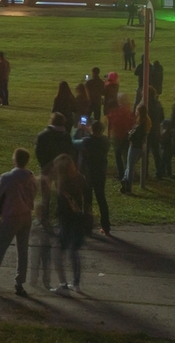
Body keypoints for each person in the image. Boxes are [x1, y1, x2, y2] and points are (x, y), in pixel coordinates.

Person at [0, 148, 39, 297]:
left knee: (0, 250)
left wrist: (2, 211)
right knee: (23, 250)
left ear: (15, 159)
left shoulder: (7, 177)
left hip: (11, 216)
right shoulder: (32, 178)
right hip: (26, 216)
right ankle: (19, 283)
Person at [50, 153, 90, 294]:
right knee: (74, 251)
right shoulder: (80, 178)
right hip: (79, 219)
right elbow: (87, 197)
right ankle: (76, 283)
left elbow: (61, 205)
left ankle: (63, 284)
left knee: (57, 251)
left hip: (66, 220)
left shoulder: (63, 182)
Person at [77, 119, 113, 235]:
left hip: (88, 172)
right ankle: (106, 226)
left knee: (88, 199)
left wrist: (80, 130)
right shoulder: (106, 141)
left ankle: (87, 226)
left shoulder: (86, 141)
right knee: (101, 198)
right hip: (100, 172)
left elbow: (75, 143)